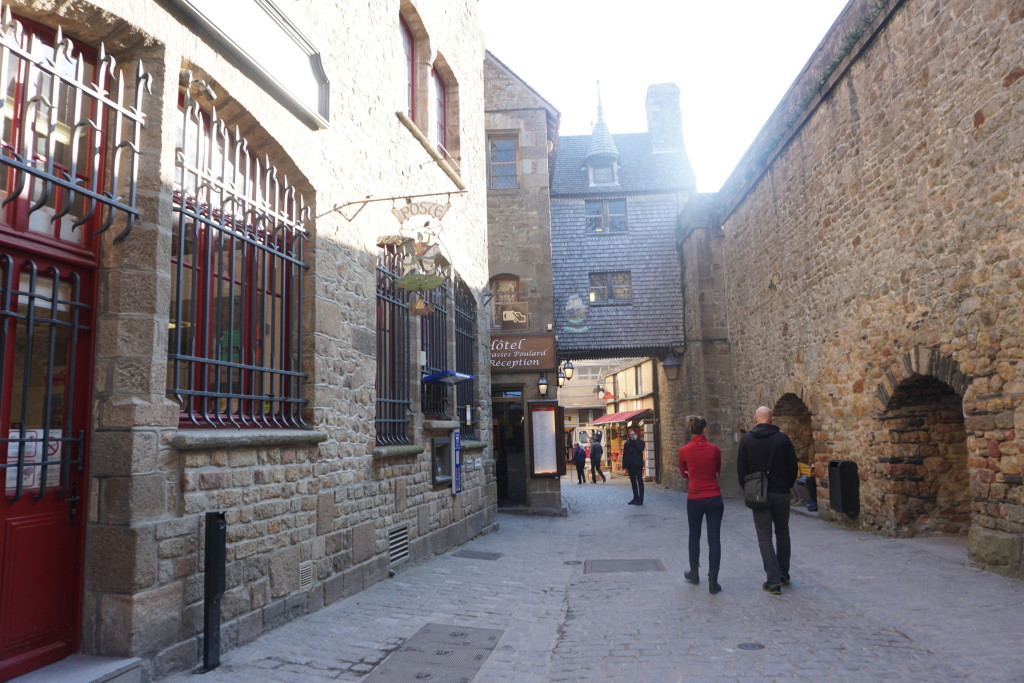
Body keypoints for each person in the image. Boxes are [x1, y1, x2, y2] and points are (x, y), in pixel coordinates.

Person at [737, 406, 798, 595]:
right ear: (771, 419)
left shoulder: (747, 440)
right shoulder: (783, 439)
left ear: (756, 419)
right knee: (783, 533)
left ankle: (773, 581)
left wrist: (749, 488)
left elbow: (741, 469)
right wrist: (786, 484)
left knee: (764, 537)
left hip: (759, 494)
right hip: (780, 493)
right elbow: (793, 466)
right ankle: (783, 573)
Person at [678, 415, 724, 594]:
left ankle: (694, 572)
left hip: (695, 497)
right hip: (714, 496)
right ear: (705, 430)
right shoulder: (714, 450)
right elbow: (718, 471)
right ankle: (713, 581)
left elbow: (684, 473)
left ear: (691, 430)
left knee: (694, 536)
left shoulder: (684, 450)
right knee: (714, 539)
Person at [622, 428, 645, 505]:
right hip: (630, 465)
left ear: (636, 435)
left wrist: (635, 441)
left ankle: (641, 499)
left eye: (632, 434)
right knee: (633, 482)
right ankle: (635, 497)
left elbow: (640, 449)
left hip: (638, 465)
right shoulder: (627, 443)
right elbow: (625, 455)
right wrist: (624, 465)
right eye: (630, 435)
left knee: (639, 481)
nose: (631, 436)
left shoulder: (640, 442)